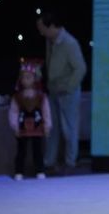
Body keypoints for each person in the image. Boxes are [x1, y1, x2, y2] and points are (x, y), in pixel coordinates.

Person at [36, 10, 87, 175]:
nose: (40, 32)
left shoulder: (69, 43)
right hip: (53, 90)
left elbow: (80, 68)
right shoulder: (49, 41)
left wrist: (69, 87)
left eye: (42, 28)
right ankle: (49, 162)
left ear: (51, 26)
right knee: (52, 128)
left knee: (69, 129)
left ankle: (70, 163)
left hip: (67, 93)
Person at [8, 59, 52, 180]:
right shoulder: (17, 96)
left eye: (29, 77)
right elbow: (13, 112)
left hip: (37, 127)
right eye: (24, 77)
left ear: (34, 79)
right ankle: (19, 171)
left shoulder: (41, 96)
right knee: (21, 150)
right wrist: (15, 126)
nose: (26, 80)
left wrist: (47, 126)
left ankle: (40, 170)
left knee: (37, 150)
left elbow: (46, 111)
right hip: (22, 127)